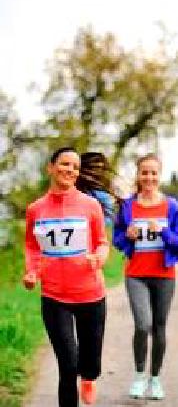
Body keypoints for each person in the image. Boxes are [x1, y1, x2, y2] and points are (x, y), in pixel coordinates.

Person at [23, 146, 110, 406]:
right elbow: (32, 246)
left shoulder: (90, 205)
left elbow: (102, 242)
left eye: (74, 167)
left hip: (90, 295)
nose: (69, 170)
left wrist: (99, 257)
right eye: (64, 164)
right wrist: (31, 272)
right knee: (67, 366)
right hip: (54, 297)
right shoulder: (35, 209)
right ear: (51, 167)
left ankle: (90, 378)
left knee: (90, 364)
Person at [113, 153, 178, 400]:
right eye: (144, 172)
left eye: (153, 172)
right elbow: (117, 237)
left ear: (160, 175)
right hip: (136, 274)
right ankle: (139, 375)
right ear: (138, 175)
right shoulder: (128, 206)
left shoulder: (172, 207)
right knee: (142, 324)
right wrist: (128, 235)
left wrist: (165, 233)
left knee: (159, 327)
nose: (148, 177)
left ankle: (155, 379)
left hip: (163, 275)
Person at [77, 152, 117, 226]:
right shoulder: (78, 194)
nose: (99, 172)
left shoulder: (107, 193)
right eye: (94, 168)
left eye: (102, 169)